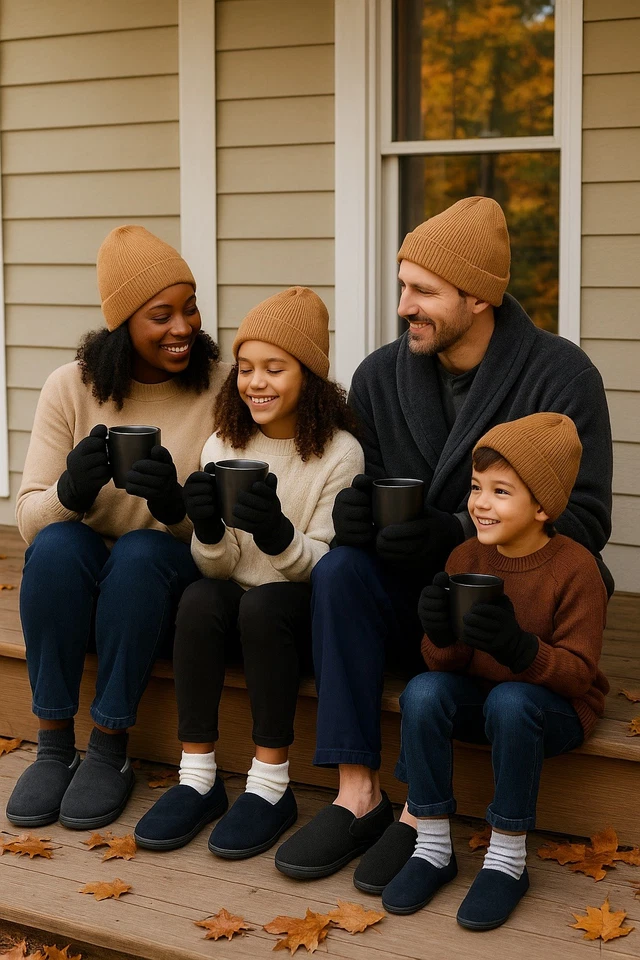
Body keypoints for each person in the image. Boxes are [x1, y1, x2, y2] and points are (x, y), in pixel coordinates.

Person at [275, 197, 613, 886]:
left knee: (467, 631)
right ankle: (356, 790)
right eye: (403, 287)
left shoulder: (560, 375)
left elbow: (588, 517)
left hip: (510, 612)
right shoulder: (378, 376)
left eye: (423, 291)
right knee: (340, 570)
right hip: (416, 602)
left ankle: (418, 818)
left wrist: (458, 531)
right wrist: (360, 520)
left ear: (478, 297)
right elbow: (357, 485)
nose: (405, 306)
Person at [6, 226, 230, 831]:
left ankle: (108, 747)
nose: (183, 327)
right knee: (55, 544)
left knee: (139, 552)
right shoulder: (69, 388)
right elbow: (29, 519)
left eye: (190, 309)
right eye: (161, 314)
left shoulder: (220, 388)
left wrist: (175, 506)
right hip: (82, 580)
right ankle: (53, 744)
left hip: (164, 582)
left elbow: (227, 531)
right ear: (122, 322)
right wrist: (69, 492)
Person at [133, 286, 364, 858]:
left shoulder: (340, 454)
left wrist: (279, 534)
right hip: (237, 607)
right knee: (200, 598)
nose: (256, 382)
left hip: (297, 618)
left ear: (307, 375)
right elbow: (218, 565)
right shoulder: (223, 444)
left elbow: (329, 572)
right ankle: (198, 776)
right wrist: (208, 531)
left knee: (262, 604)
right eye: (244, 369)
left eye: (274, 369)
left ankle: (269, 784)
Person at [382, 413, 608, 930]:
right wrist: (440, 636)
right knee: (422, 691)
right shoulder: (466, 556)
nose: (480, 503)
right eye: (477, 487)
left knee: (512, 701)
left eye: (501, 491)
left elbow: (577, 676)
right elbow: (447, 665)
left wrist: (519, 648)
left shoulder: (575, 569)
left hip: (556, 708)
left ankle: (507, 859)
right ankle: (432, 846)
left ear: (543, 507)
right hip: (485, 699)